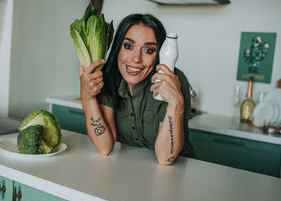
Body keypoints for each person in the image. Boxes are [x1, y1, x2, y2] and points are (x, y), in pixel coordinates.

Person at [78, 14, 195, 165]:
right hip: (131, 169)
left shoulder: (171, 80)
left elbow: (165, 158)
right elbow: (104, 147)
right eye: (128, 46)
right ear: (118, 48)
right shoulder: (108, 77)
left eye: (148, 50)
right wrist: (87, 97)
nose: (136, 59)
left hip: (181, 171)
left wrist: (176, 103)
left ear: (159, 53)